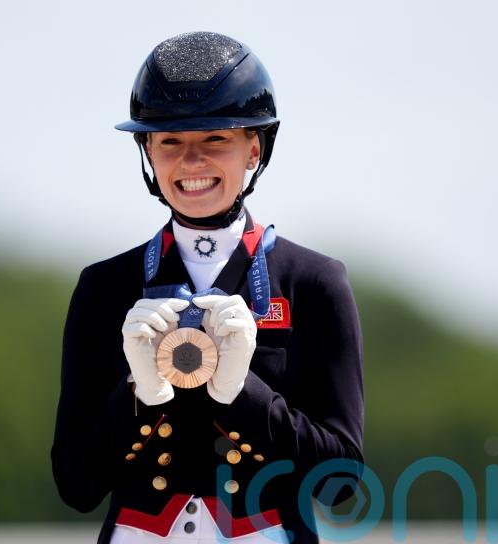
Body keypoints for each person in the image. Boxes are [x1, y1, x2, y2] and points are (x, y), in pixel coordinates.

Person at [52, 31, 364, 544]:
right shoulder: (104, 287)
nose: (191, 162)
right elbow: (75, 484)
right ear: (148, 152)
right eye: (170, 142)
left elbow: (341, 483)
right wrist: (138, 396)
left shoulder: (315, 282)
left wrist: (244, 395)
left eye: (215, 139)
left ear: (253, 148)